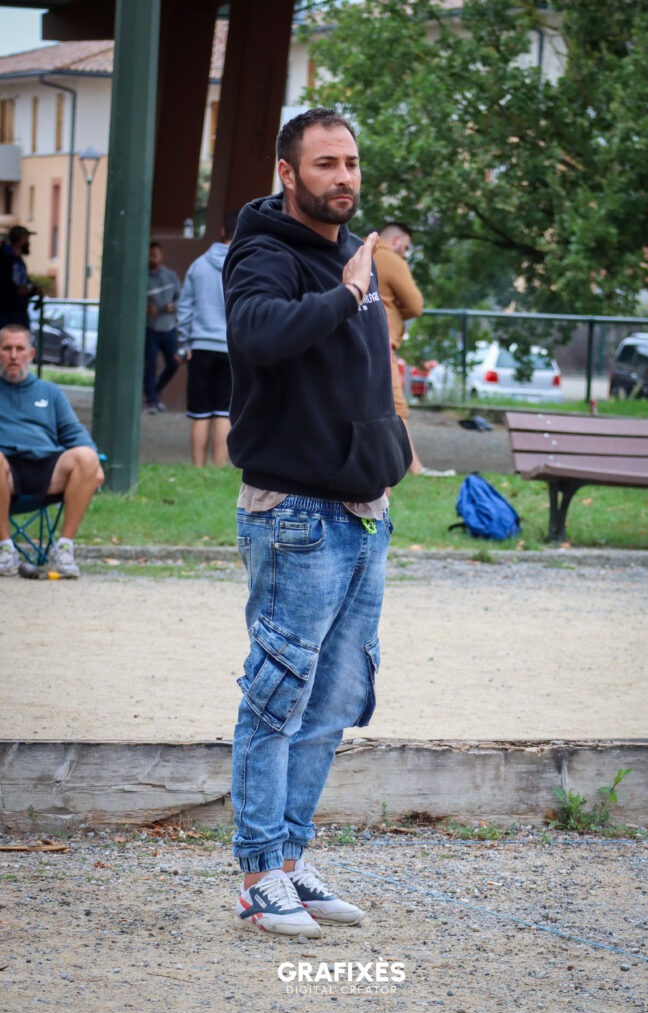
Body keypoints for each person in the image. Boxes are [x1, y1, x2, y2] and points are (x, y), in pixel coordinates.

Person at [224, 108, 411, 938]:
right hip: (294, 511)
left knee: (333, 700)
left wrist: (389, 456)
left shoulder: (351, 253)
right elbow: (256, 334)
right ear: (287, 172)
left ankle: (292, 858)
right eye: (326, 163)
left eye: (352, 162)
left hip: (362, 511)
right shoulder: (264, 251)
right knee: (276, 698)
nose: (343, 176)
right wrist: (345, 296)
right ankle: (258, 872)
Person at [0, 324, 104, 578]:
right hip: (6, 469)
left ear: (31, 354)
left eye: (20, 349)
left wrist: (94, 465)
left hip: (47, 466)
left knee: (86, 457)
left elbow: (75, 433)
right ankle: (5, 548)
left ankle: (64, 549)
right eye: (6, 348)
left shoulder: (50, 392)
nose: (13, 356)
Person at [374, 222, 454, 476]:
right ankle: (414, 467)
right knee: (397, 404)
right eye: (406, 247)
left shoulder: (357, 250)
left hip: (355, 338)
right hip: (381, 341)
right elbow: (416, 305)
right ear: (396, 241)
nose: (406, 253)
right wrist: (397, 309)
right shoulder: (389, 257)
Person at [176, 214, 236, 465]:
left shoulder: (198, 265)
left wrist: (184, 343)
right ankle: (217, 468)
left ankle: (197, 467)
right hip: (231, 349)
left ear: (222, 231)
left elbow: (184, 307)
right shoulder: (244, 265)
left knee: (199, 413)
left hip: (200, 346)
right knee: (224, 412)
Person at [144, 241, 181, 413]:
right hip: (150, 327)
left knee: (174, 362)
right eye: (149, 255)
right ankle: (152, 401)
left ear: (161, 256)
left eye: (155, 255)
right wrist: (145, 308)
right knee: (150, 366)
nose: (152, 258)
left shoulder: (171, 276)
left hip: (168, 326)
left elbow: (181, 298)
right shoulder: (142, 277)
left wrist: (173, 306)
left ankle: (156, 390)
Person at [0, 226, 44, 330]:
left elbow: (22, 282)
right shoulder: (4, 257)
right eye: (27, 238)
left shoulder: (18, 259)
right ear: (22, 239)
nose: (28, 242)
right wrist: (15, 290)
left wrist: (33, 290)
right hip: (6, 312)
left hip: (19, 310)